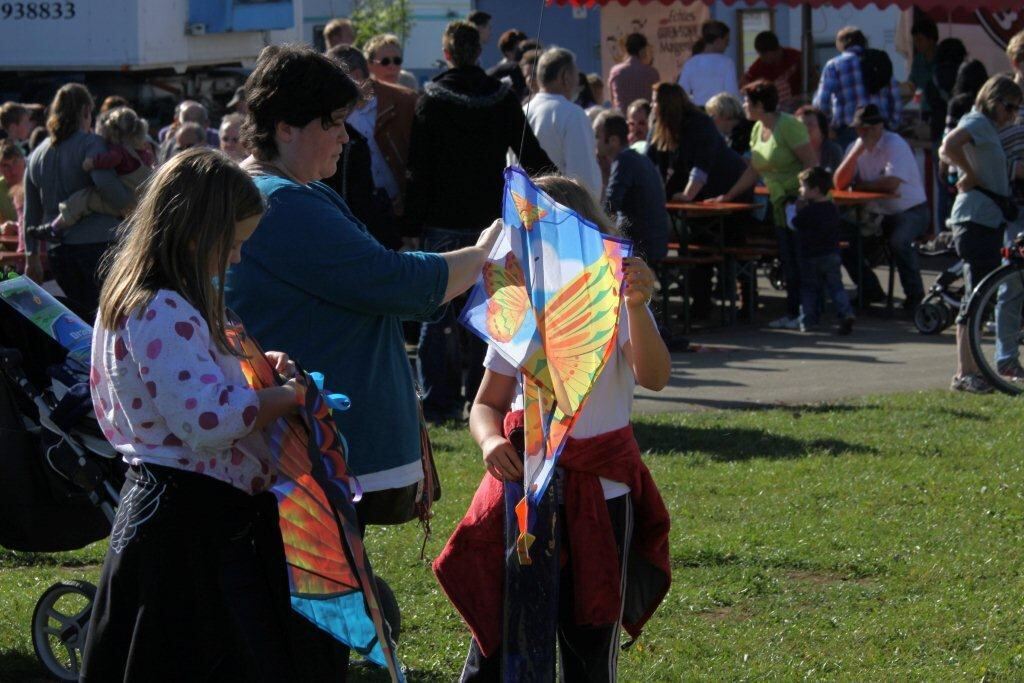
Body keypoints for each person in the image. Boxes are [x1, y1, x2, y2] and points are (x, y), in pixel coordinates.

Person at [225, 47, 503, 678]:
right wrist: (482, 253)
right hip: (303, 442)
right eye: (330, 122)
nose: (344, 137)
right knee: (305, 614)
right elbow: (390, 281)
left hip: (309, 435)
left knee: (320, 593)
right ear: (283, 127)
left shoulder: (290, 193)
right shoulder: (282, 201)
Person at [80, 148, 305, 682]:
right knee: (186, 655)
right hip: (185, 526)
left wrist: (252, 371)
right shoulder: (159, 307)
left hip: (180, 514)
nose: (236, 260)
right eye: (232, 244)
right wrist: (282, 400)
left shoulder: (159, 301)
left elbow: (193, 383)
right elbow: (206, 421)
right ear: (194, 232)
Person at [437, 174, 671, 682]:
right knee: (505, 629)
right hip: (525, 491)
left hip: (602, 494)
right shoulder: (516, 308)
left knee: (589, 635)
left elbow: (653, 376)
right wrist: (492, 439)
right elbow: (486, 404)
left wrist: (635, 306)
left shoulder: (616, 301)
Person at [406, 21, 553, 423]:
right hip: (492, 224)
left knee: (436, 315)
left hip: (442, 222)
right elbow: (533, 156)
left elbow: (418, 169)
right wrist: (560, 193)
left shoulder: (432, 99)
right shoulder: (502, 98)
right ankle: (486, 398)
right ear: (478, 51)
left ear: (448, 53)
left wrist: (409, 224)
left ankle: (440, 401)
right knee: (495, 315)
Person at [940, 76, 1023, 393]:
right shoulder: (976, 121)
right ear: (995, 100)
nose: (1012, 115)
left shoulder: (987, 128)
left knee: (979, 294)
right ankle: (965, 373)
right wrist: (970, 173)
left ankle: (971, 371)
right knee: (976, 296)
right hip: (974, 218)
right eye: (1010, 107)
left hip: (986, 219)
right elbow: (947, 147)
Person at [23, 84, 134, 316]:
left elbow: (31, 211)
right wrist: (131, 204)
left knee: (80, 319)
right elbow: (106, 185)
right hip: (97, 250)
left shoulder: (37, 154)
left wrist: (31, 256)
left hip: (58, 254)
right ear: (85, 111)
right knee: (107, 320)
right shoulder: (90, 144)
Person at [715, 80, 816, 330]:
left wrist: (803, 198)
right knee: (788, 260)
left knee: (799, 261)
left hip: (798, 204)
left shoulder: (789, 126)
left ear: (760, 104)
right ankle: (793, 313)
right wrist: (727, 197)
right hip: (778, 203)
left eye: (747, 101)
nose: (744, 106)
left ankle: (804, 314)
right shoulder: (757, 128)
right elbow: (754, 169)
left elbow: (811, 163)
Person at [648, 82, 751, 319]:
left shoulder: (700, 123)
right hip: (701, 198)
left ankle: (738, 303)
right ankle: (700, 304)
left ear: (667, 104)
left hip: (726, 189)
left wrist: (687, 196)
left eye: (655, 101)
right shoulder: (662, 127)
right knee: (695, 242)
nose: (652, 105)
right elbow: (652, 161)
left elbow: (701, 167)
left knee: (717, 242)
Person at [834, 104, 929, 311]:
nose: (864, 133)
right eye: (860, 129)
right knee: (842, 238)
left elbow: (891, 183)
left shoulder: (895, 144)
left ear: (879, 128)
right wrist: (855, 154)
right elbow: (839, 183)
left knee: (899, 241)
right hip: (876, 213)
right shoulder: (855, 147)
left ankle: (915, 296)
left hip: (910, 210)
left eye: (868, 129)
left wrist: (859, 186)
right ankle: (870, 289)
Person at [330, 44, 416, 222]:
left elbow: (421, 160)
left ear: (356, 76)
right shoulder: (332, 114)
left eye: (331, 80)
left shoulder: (404, 102)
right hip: (359, 216)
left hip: (402, 214)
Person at [42, 106, 153, 238]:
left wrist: (93, 162)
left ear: (112, 132)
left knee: (84, 199)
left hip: (123, 202)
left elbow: (111, 161)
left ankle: (55, 227)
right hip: (139, 201)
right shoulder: (143, 153)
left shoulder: (120, 151)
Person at [523, 47, 602, 200]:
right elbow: (584, 179)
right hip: (563, 213)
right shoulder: (573, 114)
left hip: (526, 211)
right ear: (565, 76)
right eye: (576, 74)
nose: (578, 81)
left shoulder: (523, 112)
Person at [594, 110, 669, 261]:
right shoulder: (640, 159)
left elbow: (610, 206)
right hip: (657, 242)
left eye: (597, 137)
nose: (594, 142)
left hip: (640, 246)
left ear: (613, 140)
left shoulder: (624, 161)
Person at [789, 167, 855, 334]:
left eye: (803, 186)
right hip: (831, 253)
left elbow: (793, 224)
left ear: (815, 190)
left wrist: (791, 209)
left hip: (810, 255)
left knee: (809, 288)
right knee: (836, 286)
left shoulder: (809, 211)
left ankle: (808, 320)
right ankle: (846, 312)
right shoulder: (832, 208)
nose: (800, 189)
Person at [812, 27, 901, 147]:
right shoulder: (880, 61)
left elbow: (822, 103)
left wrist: (827, 127)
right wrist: (892, 125)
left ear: (840, 45)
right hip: (880, 129)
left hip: (848, 131)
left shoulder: (834, 65)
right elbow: (895, 97)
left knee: (851, 165)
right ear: (863, 42)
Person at [677, 21, 738, 107]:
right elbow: (732, 93)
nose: (727, 45)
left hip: (698, 113)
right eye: (726, 41)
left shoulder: (691, 63)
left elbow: (681, 93)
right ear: (718, 41)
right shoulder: (727, 63)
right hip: (720, 113)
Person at [742, 31, 802, 105]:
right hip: (775, 110)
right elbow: (743, 85)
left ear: (771, 52)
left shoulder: (796, 57)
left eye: (762, 54)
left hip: (798, 106)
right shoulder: (760, 64)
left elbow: (814, 80)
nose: (761, 58)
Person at [608, 32, 660, 113]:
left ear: (626, 49)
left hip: (622, 121)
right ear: (643, 50)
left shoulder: (615, 72)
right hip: (646, 122)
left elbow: (613, 100)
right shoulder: (653, 73)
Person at [796, 105, 843, 172]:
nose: (805, 129)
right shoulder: (793, 152)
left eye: (810, 124)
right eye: (801, 125)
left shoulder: (833, 151)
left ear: (821, 129)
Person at [706, 92, 754, 156]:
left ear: (725, 114)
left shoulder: (748, 134)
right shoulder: (727, 136)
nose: (710, 120)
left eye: (713, 116)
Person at [488, 29, 529, 100]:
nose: (524, 54)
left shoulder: (528, 70)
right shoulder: (495, 76)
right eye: (519, 50)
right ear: (508, 52)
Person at [908, 17, 939, 105]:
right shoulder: (918, 60)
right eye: (915, 41)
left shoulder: (943, 58)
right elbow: (914, 86)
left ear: (931, 40)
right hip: (922, 110)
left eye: (920, 40)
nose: (917, 44)